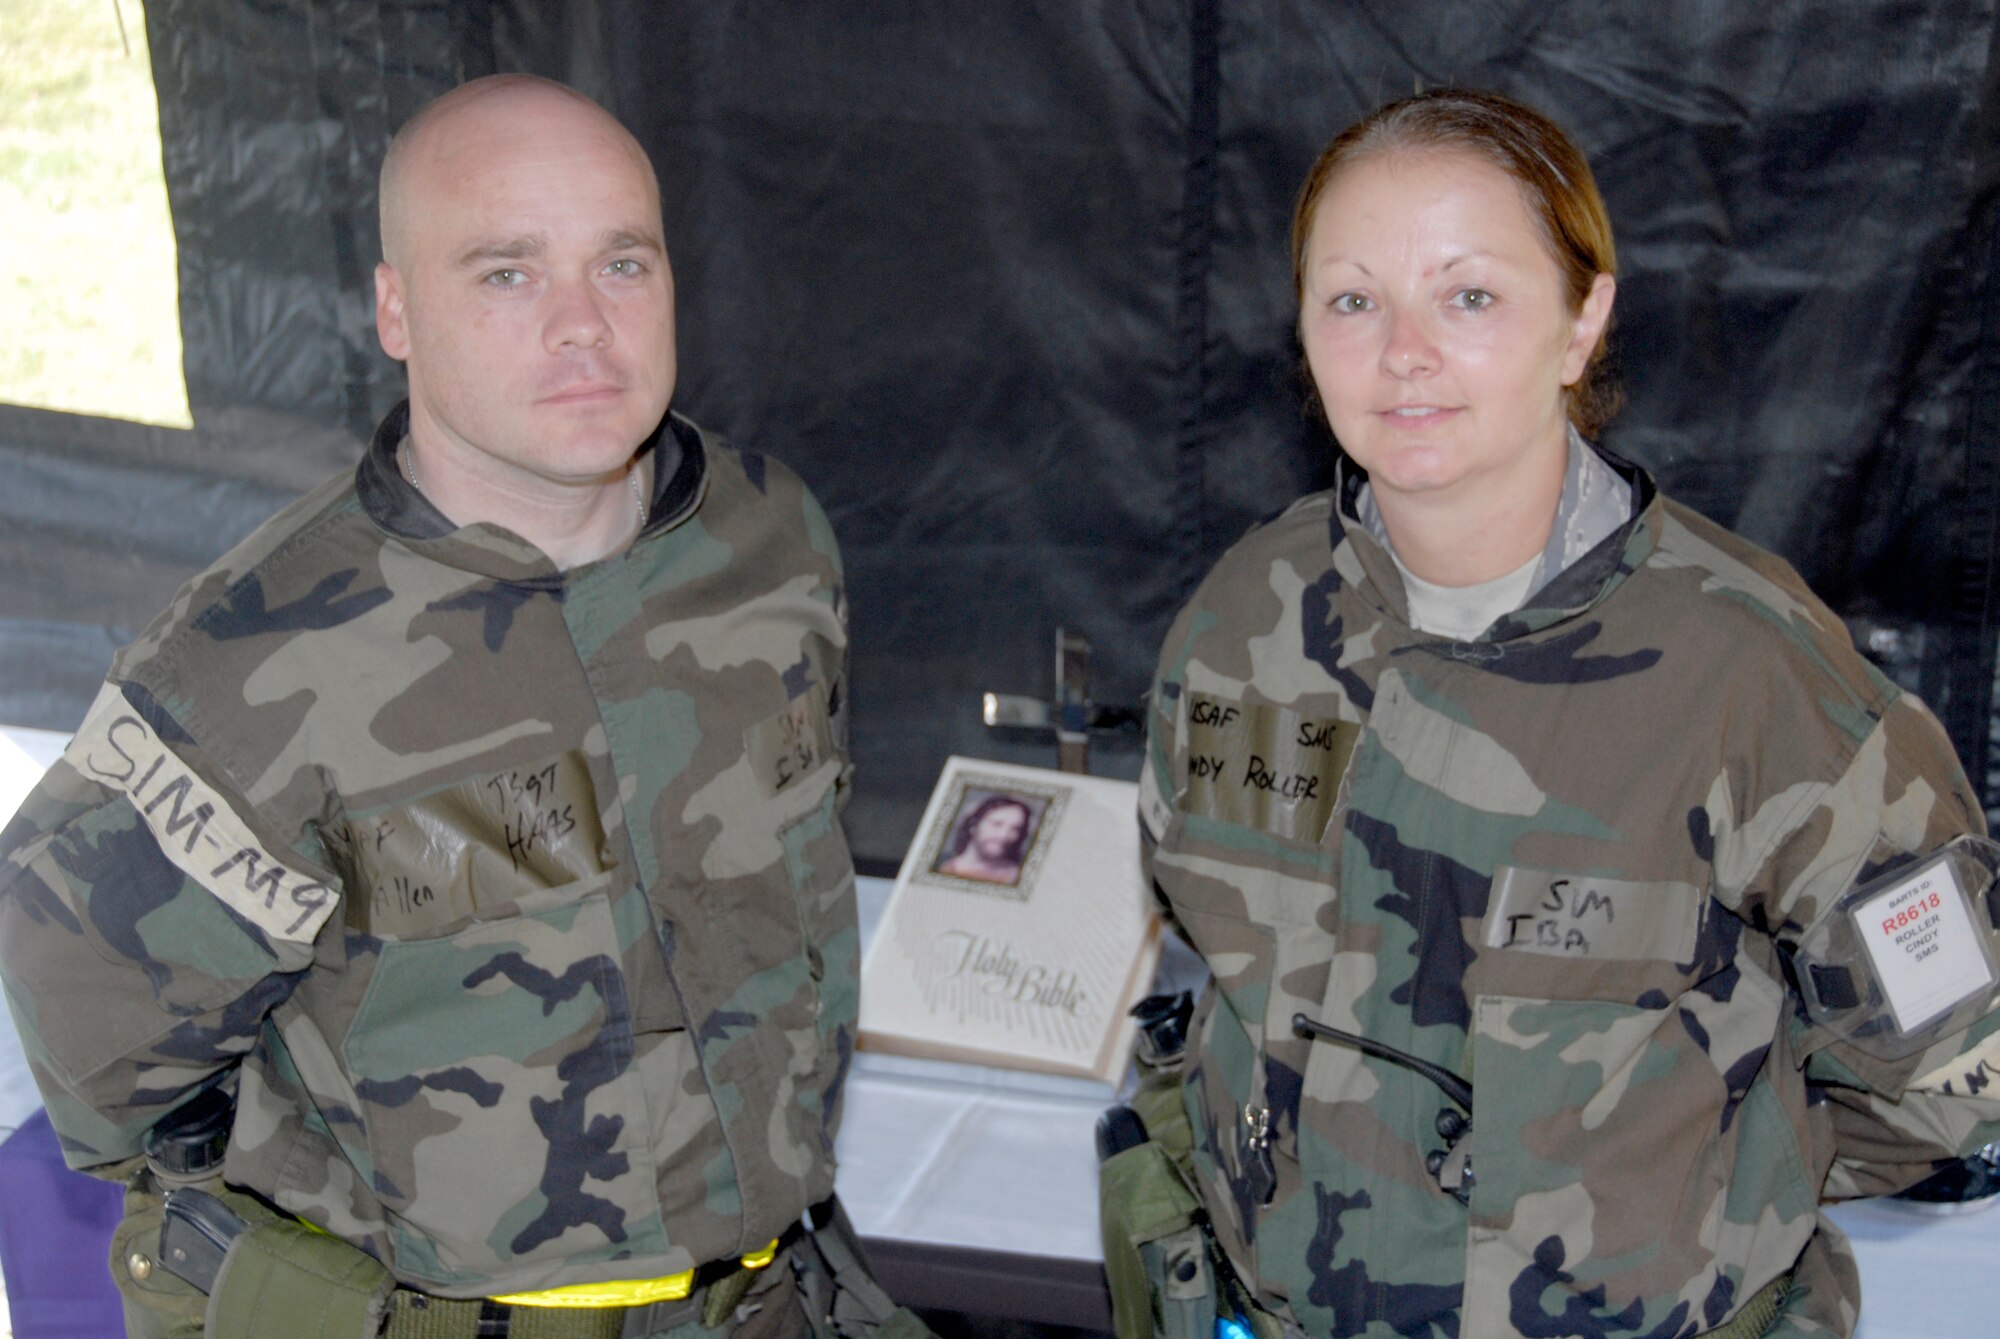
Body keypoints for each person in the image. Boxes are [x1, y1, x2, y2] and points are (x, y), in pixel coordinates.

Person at [0, 75, 897, 1339]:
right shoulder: (252, 666)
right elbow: (93, 1043)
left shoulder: (768, 542)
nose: (584, 325)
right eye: (508, 274)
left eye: (623, 264)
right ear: (395, 308)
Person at [1125, 88, 2000, 1339]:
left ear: (1580, 320)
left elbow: (1950, 1082)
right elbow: (1197, 960)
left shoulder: (1749, 675)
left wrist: (1712, 1193)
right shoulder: (1241, 621)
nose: (1402, 351)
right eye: (1352, 298)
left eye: (1468, 295)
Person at [936, 794, 1033, 884]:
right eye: (997, 824)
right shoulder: (940, 864)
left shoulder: (1019, 876)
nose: (1004, 835)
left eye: (1015, 829)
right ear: (974, 825)